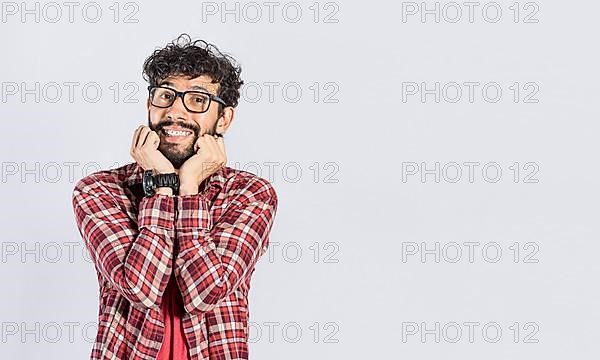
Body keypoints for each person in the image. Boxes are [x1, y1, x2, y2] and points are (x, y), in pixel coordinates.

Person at [71, 33, 278, 360]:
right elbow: (140, 289)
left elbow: (205, 294)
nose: (176, 111)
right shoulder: (101, 190)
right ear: (149, 106)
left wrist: (190, 186)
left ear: (223, 119)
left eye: (198, 100)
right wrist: (164, 184)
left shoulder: (250, 194)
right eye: (165, 96)